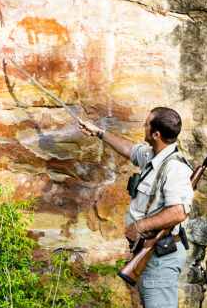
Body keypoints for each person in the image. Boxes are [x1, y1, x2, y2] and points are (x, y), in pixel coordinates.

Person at [78, 107, 194, 308]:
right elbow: (129, 149)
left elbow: (178, 212)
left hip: (160, 257)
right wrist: (99, 132)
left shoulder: (175, 168)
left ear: (156, 134)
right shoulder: (153, 155)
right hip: (148, 252)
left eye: (147, 124)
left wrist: (140, 226)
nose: (144, 126)